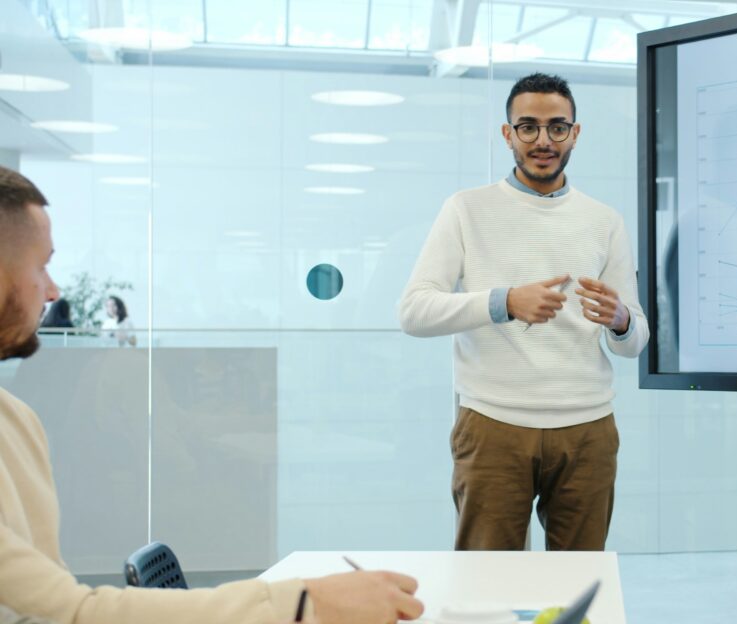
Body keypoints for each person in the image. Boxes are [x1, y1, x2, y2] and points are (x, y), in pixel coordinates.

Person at [0, 165, 425, 624]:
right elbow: (70, 613)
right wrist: (304, 603)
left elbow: (41, 610)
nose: (53, 290)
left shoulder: (16, 417)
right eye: (40, 266)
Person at [399, 73, 649, 551]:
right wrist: (505, 302)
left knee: (578, 585)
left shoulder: (604, 220)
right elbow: (413, 311)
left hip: (588, 428)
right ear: (507, 134)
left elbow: (635, 342)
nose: (543, 140)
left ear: (575, 133)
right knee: (488, 586)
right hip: (494, 425)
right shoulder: (465, 209)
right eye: (528, 127)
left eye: (557, 127)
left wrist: (620, 320)